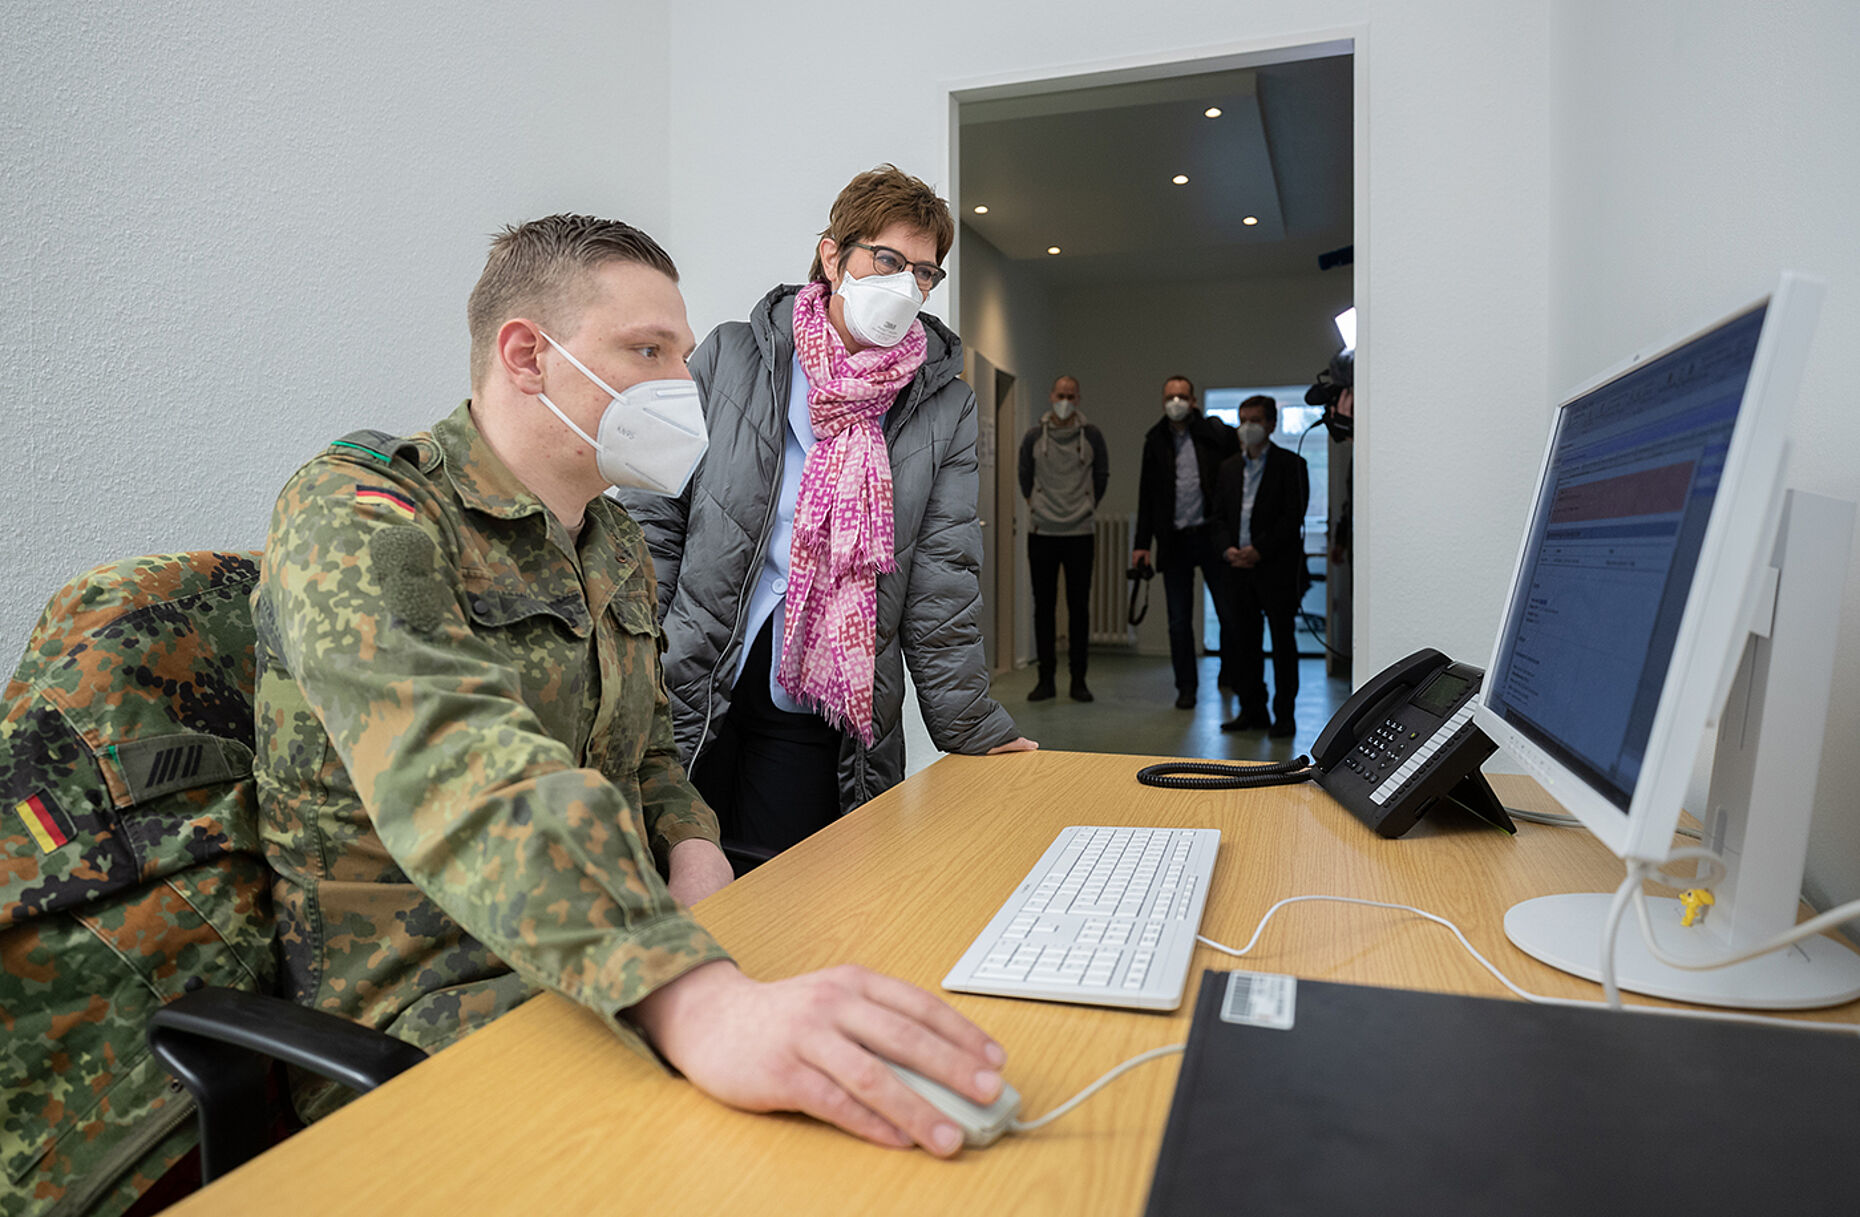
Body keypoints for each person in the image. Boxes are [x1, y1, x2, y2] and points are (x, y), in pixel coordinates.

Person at [254, 213, 1007, 1158]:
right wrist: (697, 997)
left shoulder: (609, 538)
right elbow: (466, 769)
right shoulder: (366, 512)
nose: (677, 384)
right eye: (646, 349)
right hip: (432, 1000)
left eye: (681, 355)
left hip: (605, 949)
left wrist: (693, 847)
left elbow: (645, 748)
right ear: (527, 355)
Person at [621, 165, 1035, 859]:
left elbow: (943, 577)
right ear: (832, 255)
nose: (906, 285)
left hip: (821, 698)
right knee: (667, 875)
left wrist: (971, 724)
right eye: (888, 259)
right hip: (693, 674)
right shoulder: (731, 357)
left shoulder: (943, 404)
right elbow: (650, 518)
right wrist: (635, 662)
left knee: (789, 892)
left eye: (925, 272)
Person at [1132, 376, 1240, 710]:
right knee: (1178, 621)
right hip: (1174, 539)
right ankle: (1186, 688)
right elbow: (1146, 496)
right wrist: (1141, 544)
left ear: (1193, 401)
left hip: (1210, 536)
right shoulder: (1155, 440)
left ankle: (1229, 672)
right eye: (1169, 397)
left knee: (1227, 612)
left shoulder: (1214, 434)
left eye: (1181, 396)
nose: (1175, 402)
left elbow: (1233, 476)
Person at [1211, 394, 1311, 737]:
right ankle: (1251, 711)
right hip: (1236, 569)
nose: (1247, 427)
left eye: (1255, 420)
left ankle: (1285, 715)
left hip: (1276, 570)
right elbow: (1218, 517)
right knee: (1243, 643)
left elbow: (1291, 517)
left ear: (1271, 424)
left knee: (1283, 645)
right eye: (1243, 420)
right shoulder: (1228, 468)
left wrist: (1259, 550)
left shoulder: (1292, 465)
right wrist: (1228, 549)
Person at [1019, 374, 1109, 702]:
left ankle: (1078, 680)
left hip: (1080, 534)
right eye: (1060, 394)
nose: (1065, 400)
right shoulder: (1032, 437)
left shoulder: (1092, 436)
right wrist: (1040, 508)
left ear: (1079, 398)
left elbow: (1102, 476)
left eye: (1071, 395)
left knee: (1079, 608)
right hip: (1042, 533)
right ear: (1051, 396)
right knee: (1043, 607)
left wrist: (1085, 507)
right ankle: (1045, 680)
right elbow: (1024, 477)